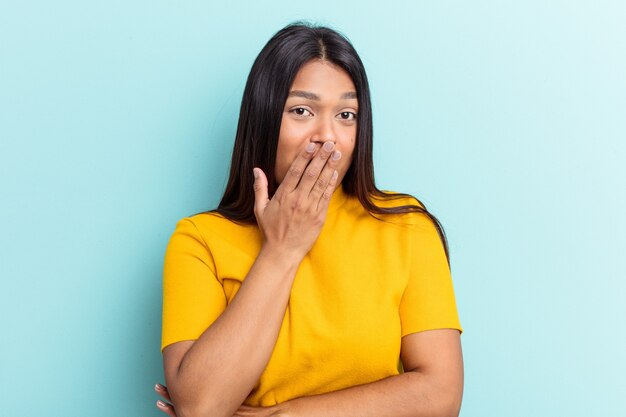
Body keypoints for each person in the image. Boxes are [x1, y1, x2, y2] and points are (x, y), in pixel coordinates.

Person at [154, 21, 464, 417]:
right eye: (302, 110)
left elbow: (441, 395)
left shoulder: (407, 228)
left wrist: (282, 415)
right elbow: (201, 408)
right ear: (264, 118)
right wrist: (283, 249)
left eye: (346, 114)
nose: (328, 136)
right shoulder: (199, 241)